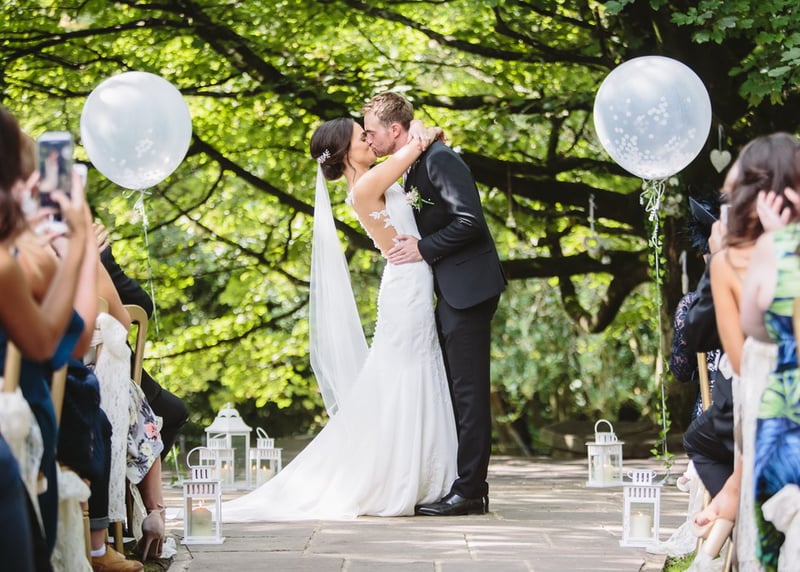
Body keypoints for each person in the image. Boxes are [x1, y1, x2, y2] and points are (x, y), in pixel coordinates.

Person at [223, 116, 457, 521]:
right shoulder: (364, 186)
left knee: (414, 371)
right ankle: (403, 476)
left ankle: (421, 471)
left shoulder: (372, 178)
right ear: (346, 152)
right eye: (360, 136)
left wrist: (419, 125)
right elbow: (416, 145)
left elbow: (412, 143)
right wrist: (423, 129)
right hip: (407, 287)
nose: (369, 138)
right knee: (408, 374)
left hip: (413, 281)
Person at [362, 92, 506, 516]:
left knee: (469, 391)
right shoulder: (413, 161)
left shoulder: (440, 159)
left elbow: (470, 221)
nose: (368, 139)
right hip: (447, 288)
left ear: (394, 129)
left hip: (469, 287)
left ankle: (471, 491)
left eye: (371, 131)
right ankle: (462, 483)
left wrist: (423, 248)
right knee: (456, 389)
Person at [691, 133, 799, 566]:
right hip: (762, 413)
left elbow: (741, 360)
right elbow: (740, 364)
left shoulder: (732, 260)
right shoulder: (729, 261)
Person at [740, 159, 800, 570]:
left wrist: (780, 242)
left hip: (786, 408)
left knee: (769, 537)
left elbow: (751, 324)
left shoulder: (775, 247)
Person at [95, 225, 188, 458]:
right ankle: (134, 479)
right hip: (109, 382)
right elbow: (141, 307)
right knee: (172, 412)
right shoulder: (93, 253)